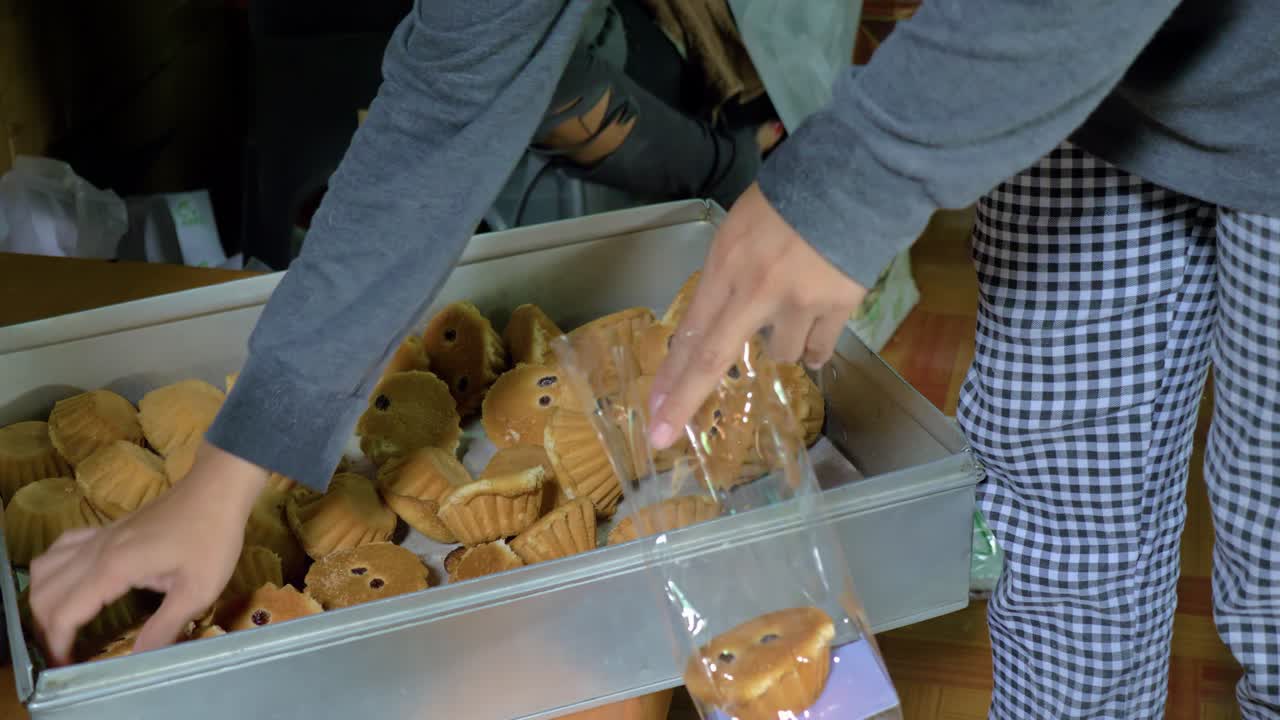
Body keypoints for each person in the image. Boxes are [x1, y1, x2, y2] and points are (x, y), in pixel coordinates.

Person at [29, 0, 1279, 717]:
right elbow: (454, 95)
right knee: (1055, 532)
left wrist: (865, 170)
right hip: (1080, 100)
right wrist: (238, 459)